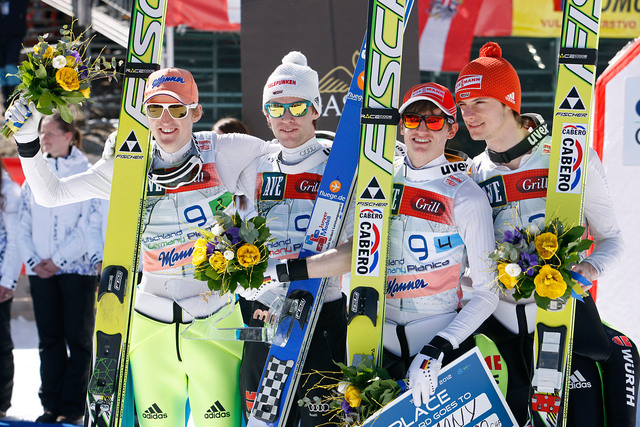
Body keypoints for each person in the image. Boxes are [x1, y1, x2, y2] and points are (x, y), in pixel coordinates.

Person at [5, 67, 276, 426]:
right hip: (152, 325)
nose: (166, 120)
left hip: (215, 322)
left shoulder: (226, 151)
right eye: (154, 108)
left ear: (196, 112)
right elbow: (51, 194)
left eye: (178, 110)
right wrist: (27, 143)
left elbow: (296, 156)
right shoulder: (128, 162)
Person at [275, 82, 499, 408]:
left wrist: (438, 349)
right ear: (400, 125)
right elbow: (355, 250)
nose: (422, 130)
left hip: (436, 348)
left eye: (434, 121)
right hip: (375, 347)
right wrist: (276, 270)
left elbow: (487, 293)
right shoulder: (378, 179)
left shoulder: (465, 195)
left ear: (451, 128)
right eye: (412, 119)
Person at [455, 41, 637, 426]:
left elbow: (613, 240)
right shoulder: (472, 174)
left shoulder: (567, 153)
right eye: (462, 105)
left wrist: (582, 272)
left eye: (479, 103)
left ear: (509, 102)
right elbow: (466, 262)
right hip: (497, 335)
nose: (468, 115)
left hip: (562, 321)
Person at [237, 51, 349, 426]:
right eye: (276, 107)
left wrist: (283, 271)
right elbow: (233, 235)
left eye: (298, 107)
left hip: (322, 311)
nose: (287, 117)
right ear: (265, 113)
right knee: (262, 421)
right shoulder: (254, 164)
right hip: (263, 313)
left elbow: (356, 252)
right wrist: (241, 283)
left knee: (323, 423)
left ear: (316, 108)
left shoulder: (339, 163)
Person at [17, 113, 97, 424]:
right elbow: (23, 220)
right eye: (42, 133)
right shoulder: (35, 172)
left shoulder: (87, 172)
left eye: (50, 133)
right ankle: (49, 405)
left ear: (68, 135)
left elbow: (87, 225)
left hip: (76, 271)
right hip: (41, 272)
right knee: (48, 340)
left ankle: (73, 408)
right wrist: (35, 261)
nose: (44, 139)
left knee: (77, 340)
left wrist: (59, 259)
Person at [0, 161, 22, 420]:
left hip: (0, 281)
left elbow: (15, 239)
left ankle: (2, 403)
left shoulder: (8, 190)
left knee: (1, 345)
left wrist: (7, 281)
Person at [0, 0, 27, 110]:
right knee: (1, 68)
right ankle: (7, 103)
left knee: (10, 66)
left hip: (15, 33)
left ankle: (16, 100)